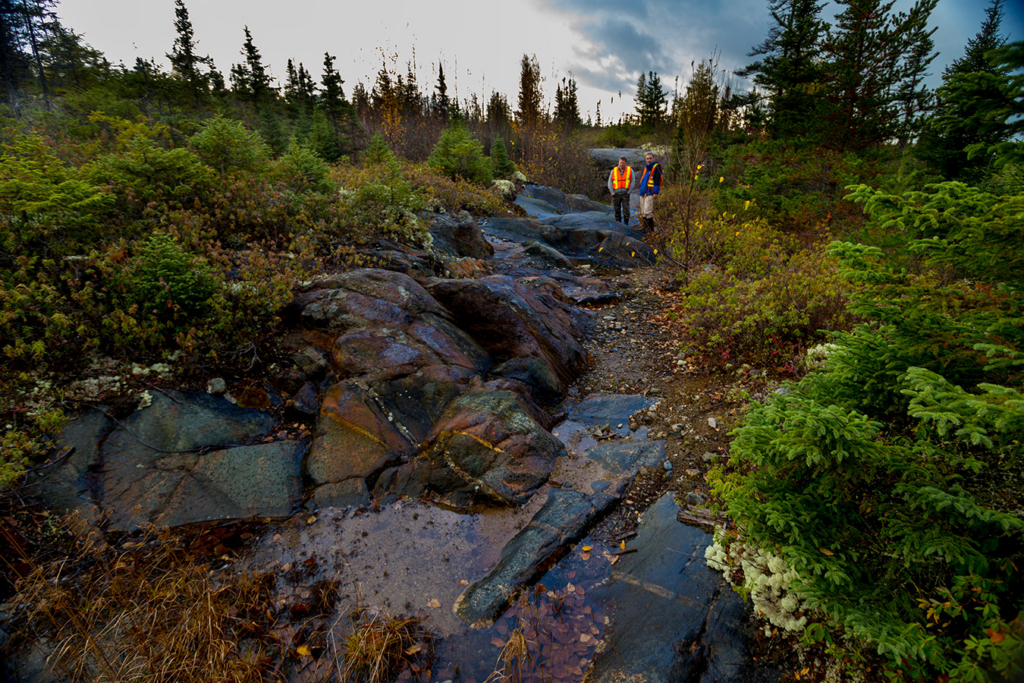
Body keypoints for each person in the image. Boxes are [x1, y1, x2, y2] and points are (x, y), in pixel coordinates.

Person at [637, 152, 662, 233]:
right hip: (643, 192)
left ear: (653, 158)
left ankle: (651, 230)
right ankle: (645, 228)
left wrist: (655, 192)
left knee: (648, 212)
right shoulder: (646, 168)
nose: (649, 160)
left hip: (650, 192)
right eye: (647, 158)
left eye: (650, 158)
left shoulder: (656, 167)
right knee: (643, 212)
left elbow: (657, 181)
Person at [607, 156, 634, 226]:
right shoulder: (613, 170)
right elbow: (610, 181)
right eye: (620, 162)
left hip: (625, 193)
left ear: (625, 163)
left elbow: (633, 181)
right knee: (617, 210)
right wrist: (612, 191)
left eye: (622, 163)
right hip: (616, 193)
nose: (621, 164)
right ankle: (618, 225)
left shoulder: (630, 170)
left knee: (626, 210)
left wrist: (629, 191)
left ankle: (626, 224)